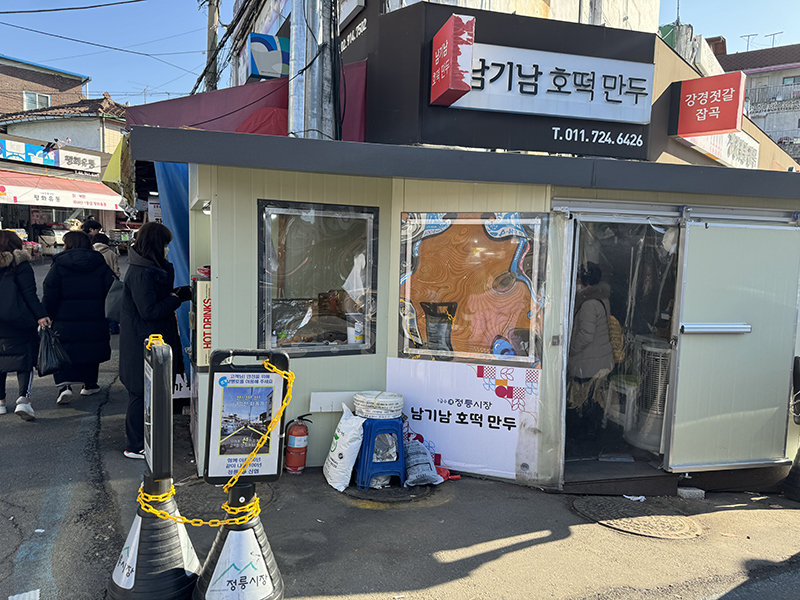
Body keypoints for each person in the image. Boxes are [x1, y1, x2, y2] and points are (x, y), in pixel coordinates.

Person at [120, 222, 191, 459]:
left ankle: (145, 440)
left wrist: (177, 294)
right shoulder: (141, 273)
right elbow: (149, 310)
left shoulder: (148, 267)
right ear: (156, 245)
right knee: (140, 393)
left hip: (150, 339)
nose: (168, 249)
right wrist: (176, 299)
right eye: (165, 244)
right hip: (142, 342)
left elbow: (157, 298)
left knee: (148, 392)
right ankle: (135, 445)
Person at [43, 230, 115, 403]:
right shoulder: (99, 263)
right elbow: (112, 289)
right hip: (95, 315)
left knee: (64, 349)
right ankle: (89, 384)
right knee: (90, 348)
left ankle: (65, 386)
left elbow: (50, 292)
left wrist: (47, 314)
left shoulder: (59, 264)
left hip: (65, 317)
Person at [0, 231, 51, 420]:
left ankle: (1, 402)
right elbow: (29, 293)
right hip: (19, 319)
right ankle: (23, 399)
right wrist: (41, 315)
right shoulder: (20, 264)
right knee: (24, 359)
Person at [566, 262, 614, 450]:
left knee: (583, 399)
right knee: (594, 399)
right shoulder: (602, 299)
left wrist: (570, 350)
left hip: (588, 360)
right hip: (600, 357)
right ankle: (593, 434)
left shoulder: (588, 304)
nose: (576, 282)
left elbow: (585, 335)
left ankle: (585, 438)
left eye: (578, 278)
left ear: (584, 281)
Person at [92, 233, 121, 334]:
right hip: (110, 282)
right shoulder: (111, 253)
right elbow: (116, 270)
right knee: (111, 304)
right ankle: (113, 327)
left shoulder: (91, 252)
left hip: (95, 282)